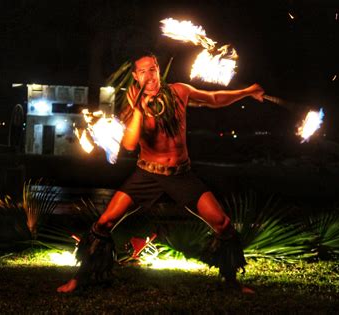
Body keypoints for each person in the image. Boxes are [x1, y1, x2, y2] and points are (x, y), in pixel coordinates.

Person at [57, 53, 265, 294]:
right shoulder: (133, 106)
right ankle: (79, 279)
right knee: (104, 222)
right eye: (143, 72)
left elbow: (213, 98)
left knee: (224, 224)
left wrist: (247, 91)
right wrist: (138, 110)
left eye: (152, 69)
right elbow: (130, 144)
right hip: (147, 175)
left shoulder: (179, 91)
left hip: (181, 175)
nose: (149, 76)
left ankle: (231, 282)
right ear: (136, 76)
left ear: (158, 70)